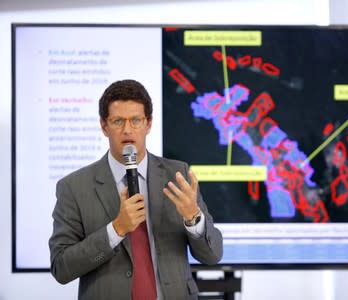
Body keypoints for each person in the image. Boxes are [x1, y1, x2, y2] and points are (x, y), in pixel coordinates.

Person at [49, 79, 223, 300]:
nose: (127, 129)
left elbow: (213, 255)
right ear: (104, 126)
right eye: (118, 121)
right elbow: (61, 268)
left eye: (136, 120)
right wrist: (116, 230)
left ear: (148, 124)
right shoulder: (73, 187)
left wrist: (193, 219)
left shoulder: (177, 175)